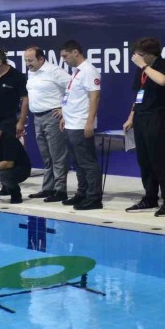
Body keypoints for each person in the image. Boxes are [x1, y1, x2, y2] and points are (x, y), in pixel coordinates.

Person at [122, 37, 165, 217]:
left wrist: (144, 66)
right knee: (145, 162)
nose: (136, 57)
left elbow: (162, 81)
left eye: (139, 54)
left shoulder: (163, 65)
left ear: (150, 54)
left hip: (157, 117)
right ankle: (150, 198)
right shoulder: (141, 70)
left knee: (160, 161)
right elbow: (139, 94)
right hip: (141, 117)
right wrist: (131, 116)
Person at [59, 40, 103, 210]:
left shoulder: (89, 71)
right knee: (77, 162)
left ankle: (94, 197)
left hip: (81, 124)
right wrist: (64, 116)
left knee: (87, 162)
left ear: (75, 52)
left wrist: (90, 121)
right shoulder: (76, 71)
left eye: (65, 56)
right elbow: (72, 97)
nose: (64, 59)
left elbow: (95, 97)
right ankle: (82, 193)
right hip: (71, 123)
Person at [24, 46, 70, 203]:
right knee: (47, 156)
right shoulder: (32, 72)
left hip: (53, 117)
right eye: (26, 60)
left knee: (58, 156)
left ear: (41, 59)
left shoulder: (55, 71)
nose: (27, 63)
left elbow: (74, 88)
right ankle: (48, 188)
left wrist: (64, 108)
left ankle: (60, 190)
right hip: (37, 118)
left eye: (30, 60)